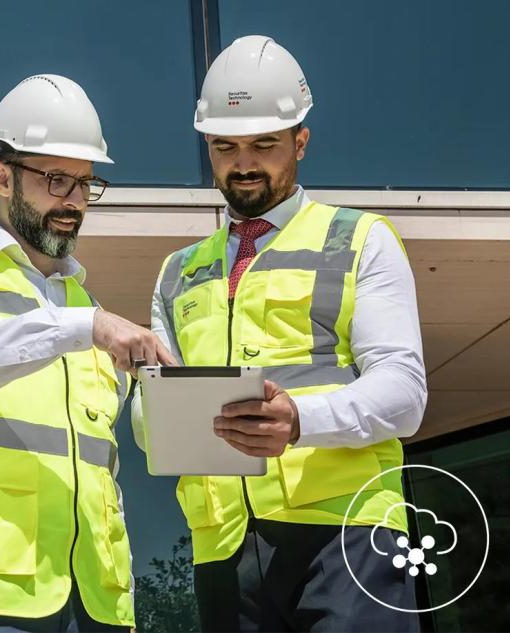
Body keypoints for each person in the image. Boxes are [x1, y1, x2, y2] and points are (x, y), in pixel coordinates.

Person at [132, 36, 426, 632]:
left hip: (348, 538)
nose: (244, 161)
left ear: (301, 141)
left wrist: (299, 420)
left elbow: (404, 393)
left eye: (264, 144)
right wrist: (151, 409)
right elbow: (148, 419)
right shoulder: (177, 271)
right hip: (223, 550)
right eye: (225, 146)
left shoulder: (359, 239)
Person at [0, 74, 174, 633]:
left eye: (86, 184)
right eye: (55, 180)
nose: (73, 202)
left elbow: (119, 455)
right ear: (0, 176)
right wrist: (81, 326)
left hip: (98, 604)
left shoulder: (87, 311)